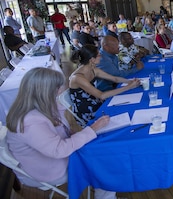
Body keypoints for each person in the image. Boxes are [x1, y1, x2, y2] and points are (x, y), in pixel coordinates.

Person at [5, 67, 116, 199]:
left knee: (102, 153)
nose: (61, 90)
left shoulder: (40, 107)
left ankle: (102, 190)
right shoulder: (30, 122)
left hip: (54, 158)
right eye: (57, 88)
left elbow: (60, 132)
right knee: (105, 164)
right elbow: (58, 150)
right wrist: (92, 129)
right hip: (48, 169)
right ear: (45, 92)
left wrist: (80, 133)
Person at [69, 44, 140, 123]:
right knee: (121, 111)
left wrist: (130, 82)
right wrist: (128, 87)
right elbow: (101, 95)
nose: (101, 57)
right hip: (87, 110)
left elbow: (114, 78)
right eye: (99, 55)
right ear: (92, 59)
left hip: (96, 101)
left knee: (125, 107)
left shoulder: (93, 69)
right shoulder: (78, 78)